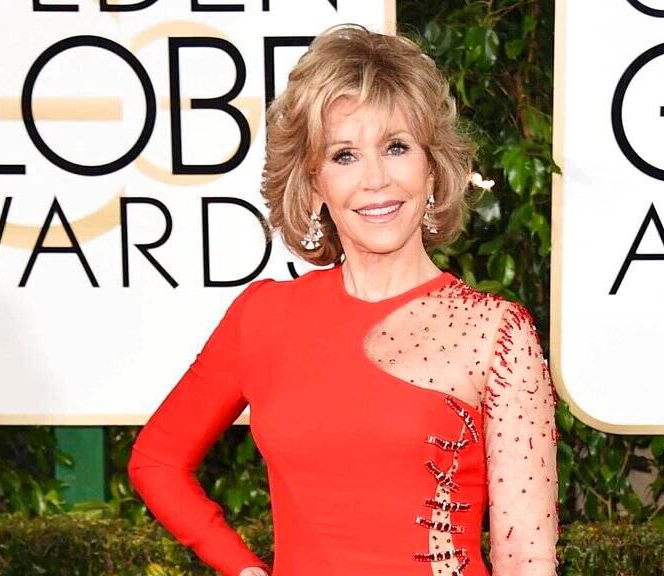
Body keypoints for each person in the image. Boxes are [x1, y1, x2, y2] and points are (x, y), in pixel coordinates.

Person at [127, 23, 560, 576]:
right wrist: (242, 568)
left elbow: (526, 558)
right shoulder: (263, 317)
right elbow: (157, 462)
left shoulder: (494, 332)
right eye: (344, 155)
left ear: (432, 169)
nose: (375, 180)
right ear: (313, 186)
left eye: (396, 147)